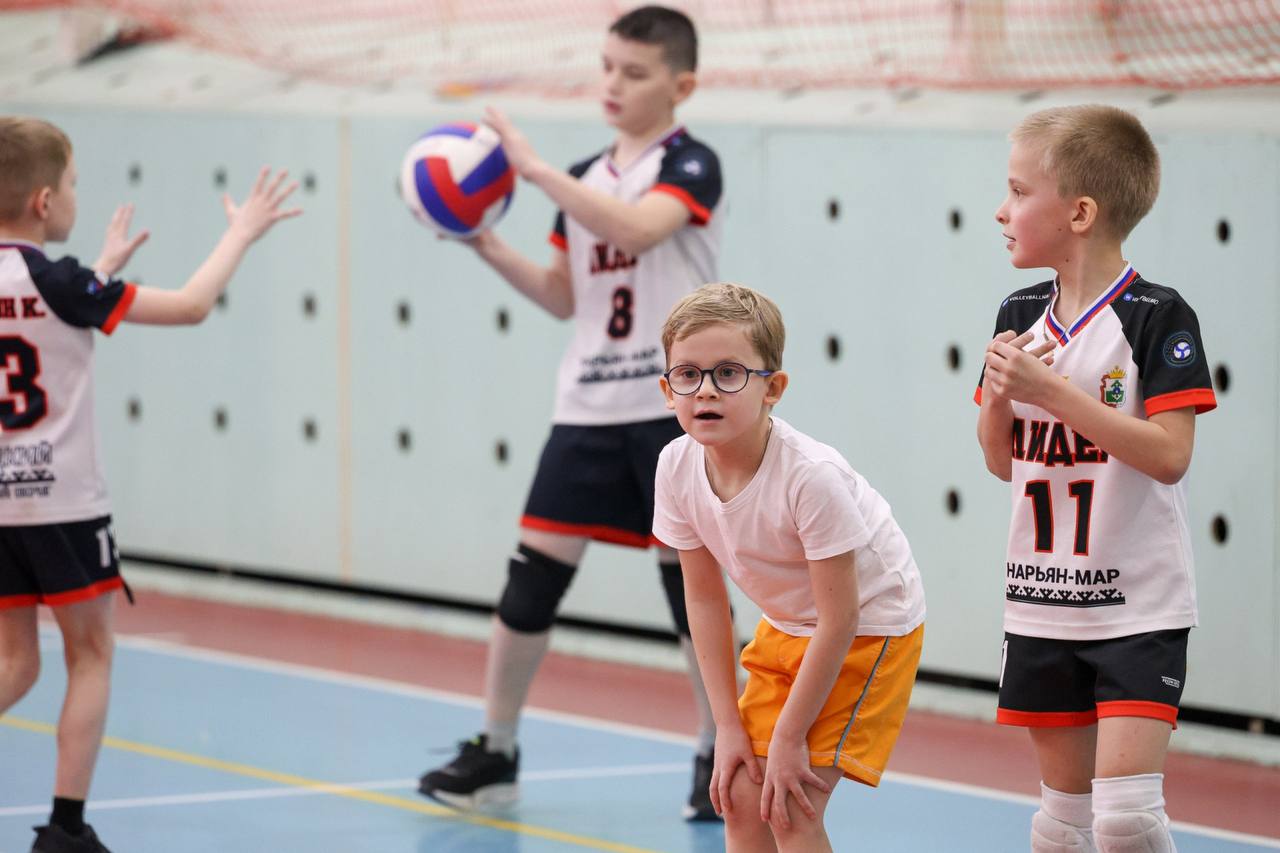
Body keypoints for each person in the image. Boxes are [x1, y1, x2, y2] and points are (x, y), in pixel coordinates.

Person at [416, 5, 726, 821]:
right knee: (530, 584)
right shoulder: (584, 174)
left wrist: (536, 170)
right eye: (608, 68)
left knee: (687, 591)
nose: (614, 85)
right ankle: (498, 748)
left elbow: (637, 227)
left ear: (680, 84)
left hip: (674, 410)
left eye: (635, 72)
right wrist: (486, 243)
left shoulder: (692, 167)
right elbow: (563, 295)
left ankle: (717, 750)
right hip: (587, 406)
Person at [0, 115, 300, 853]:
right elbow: (192, 306)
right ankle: (66, 830)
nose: (75, 194)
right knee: (90, 655)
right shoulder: (66, 283)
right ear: (43, 201)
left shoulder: (66, 283)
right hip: (65, 504)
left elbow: (36, 330)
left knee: (13, 659)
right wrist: (242, 233)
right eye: (71, 183)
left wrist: (98, 268)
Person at [976, 104, 1217, 853]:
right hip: (1043, 602)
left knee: (1127, 821)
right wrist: (1003, 399)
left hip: (1136, 607)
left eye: (1018, 192)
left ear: (1079, 212)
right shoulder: (1019, 313)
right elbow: (999, 459)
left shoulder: (1157, 315)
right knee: (1061, 824)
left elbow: (1170, 454)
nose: (1001, 210)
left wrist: (1056, 396)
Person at [652, 283, 926, 851]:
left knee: (789, 805)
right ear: (667, 388)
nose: (705, 390)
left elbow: (840, 617)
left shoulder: (810, 478)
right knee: (739, 796)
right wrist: (726, 727)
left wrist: (789, 736)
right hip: (790, 623)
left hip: (870, 628)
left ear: (773, 388)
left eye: (729, 373)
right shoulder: (675, 466)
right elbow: (703, 600)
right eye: (688, 374)